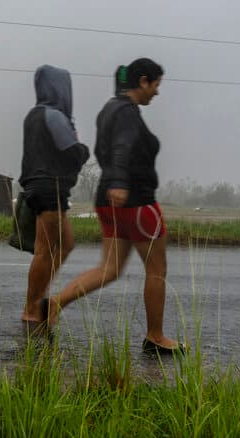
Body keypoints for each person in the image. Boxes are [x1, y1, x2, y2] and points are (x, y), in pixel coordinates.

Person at [45, 58, 186, 354]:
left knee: (109, 268)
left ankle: (55, 304)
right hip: (136, 201)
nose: (157, 92)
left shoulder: (109, 109)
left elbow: (105, 150)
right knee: (157, 269)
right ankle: (155, 336)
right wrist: (120, 181)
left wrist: (114, 182)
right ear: (143, 81)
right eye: (156, 84)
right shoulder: (127, 113)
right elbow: (122, 146)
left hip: (107, 201)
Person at [19, 64, 90, 331]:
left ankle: (39, 299)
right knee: (45, 250)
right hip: (49, 187)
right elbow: (72, 152)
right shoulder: (55, 115)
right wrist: (84, 149)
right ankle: (32, 308)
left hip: (42, 186)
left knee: (65, 244)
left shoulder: (34, 114)